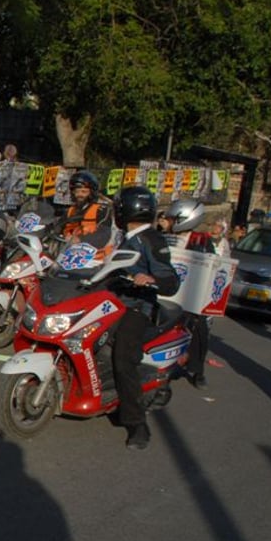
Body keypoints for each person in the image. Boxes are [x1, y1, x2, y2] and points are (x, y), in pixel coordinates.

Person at [111, 187, 180, 450]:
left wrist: (150, 279)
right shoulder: (125, 238)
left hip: (139, 306)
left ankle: (137, 423)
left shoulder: (152, 239)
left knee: (123, 358)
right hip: (113, 302)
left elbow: (170, 280)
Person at [162, 199, 213, 388]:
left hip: (191, 292)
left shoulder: (201, 240)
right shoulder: (164, 236)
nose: (169, 222)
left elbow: (211, 265)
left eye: (174, 219)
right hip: (167, 290)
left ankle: (197, 370)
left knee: (199, 329)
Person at [62, 170, 115, 256]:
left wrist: (80, 240)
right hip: (70, 255)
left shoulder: (101, 209)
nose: (79, 195)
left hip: (96, 257)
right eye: (76, 191)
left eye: (83, 191)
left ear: (91, 193)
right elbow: (58, 228)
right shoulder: (70, 211)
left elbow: (104, 233)